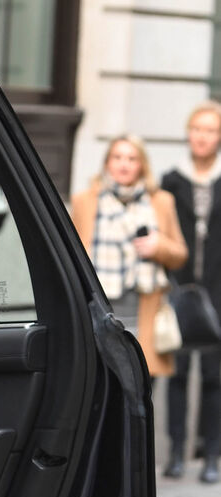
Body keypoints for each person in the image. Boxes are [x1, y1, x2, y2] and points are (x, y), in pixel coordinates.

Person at [71, 134, 187, 375]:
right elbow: (72, 254)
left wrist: (159, 246)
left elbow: (180, 254)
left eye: (132, 158)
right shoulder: (86, 201)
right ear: (107, 163)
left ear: (142, 164)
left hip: (144, 313)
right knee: (101, 383)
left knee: (140, 387)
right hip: (99, 309)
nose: (124, 164)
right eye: (118, 157)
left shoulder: (161, 201)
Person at [162, 101, 221, 483]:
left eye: (210, 130)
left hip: (218, 291)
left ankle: (212, 455)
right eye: (197, 129)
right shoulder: (171, 180)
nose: (202, 136)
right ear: (188, 134)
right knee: (179, 373)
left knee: (216, 375)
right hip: (180, 290)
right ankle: (177, 454)